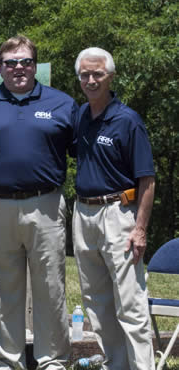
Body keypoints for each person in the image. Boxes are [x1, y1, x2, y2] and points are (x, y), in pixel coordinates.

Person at [0, 35, 76, 369]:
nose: (18, 68)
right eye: (10, 62)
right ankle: (9, 362)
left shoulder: (62, 103)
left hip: (46, 206)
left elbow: (87, 153)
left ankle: (52, 362)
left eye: (25, 61)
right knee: (3, 294)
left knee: (50, 291)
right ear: (0, 67)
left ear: (35, 65)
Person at [73, 47, 155, 370]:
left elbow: (147, 179)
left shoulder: (128, 120)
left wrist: (140, 228)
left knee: (130, 305)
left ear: (110, 76)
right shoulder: (79, 116)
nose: (91, 80)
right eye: (85, 75)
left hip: (119, 214)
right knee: (97, 304)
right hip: (84, 214)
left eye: (98, 74)